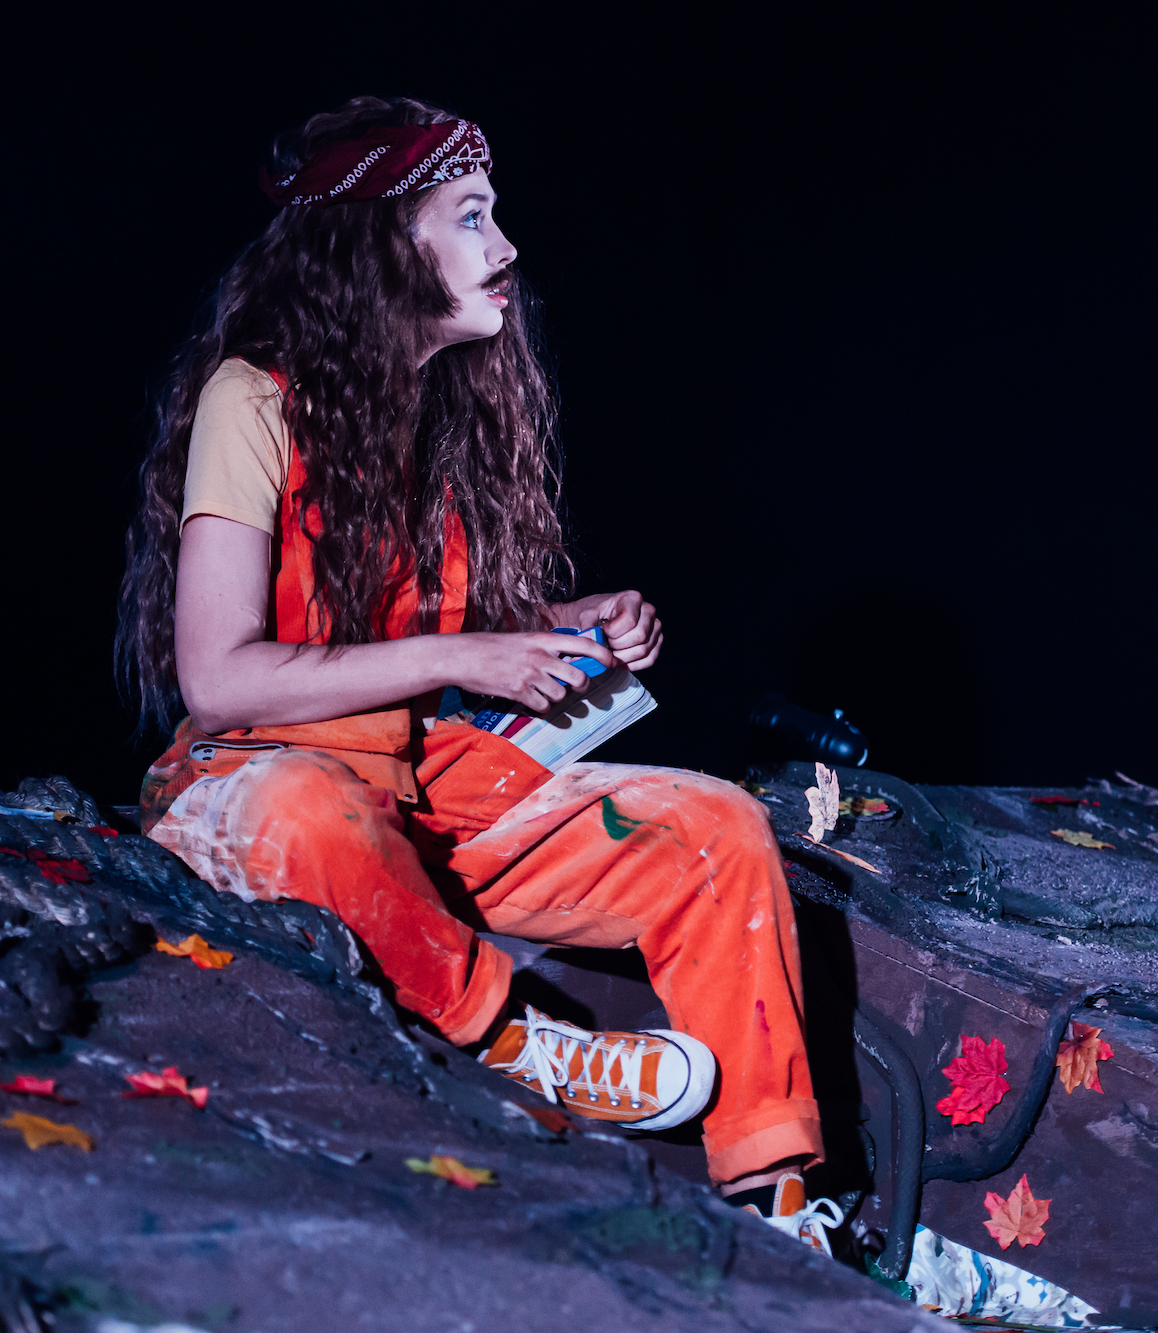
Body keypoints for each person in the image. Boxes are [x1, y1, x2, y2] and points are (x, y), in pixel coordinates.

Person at [116, 96, 838, 1247]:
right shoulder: (250, 398)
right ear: (380, 243)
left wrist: (557, 630)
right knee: (308, 808)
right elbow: (218, 677)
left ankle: (777, 1195)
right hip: (262, 788)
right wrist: (469, 655)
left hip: (422, 789)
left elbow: (418, 626)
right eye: (469, 216)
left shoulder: (435, 419)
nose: (504, 246)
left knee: (713, 827)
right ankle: (525, 1045)